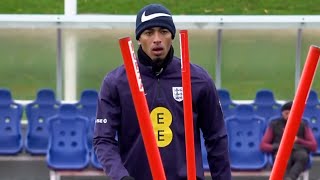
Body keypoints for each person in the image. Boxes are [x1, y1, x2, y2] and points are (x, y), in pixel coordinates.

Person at [93, 3, 231, 180]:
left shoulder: (198, 79)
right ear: (139, 38)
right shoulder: (116, 82)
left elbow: (216, 138)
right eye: (149, 33)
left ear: (172, 36)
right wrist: (121, 177)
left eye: (163, 31)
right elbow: (103, 140)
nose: (157, 39)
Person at [260, 101, 317, 180]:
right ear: (282, 113)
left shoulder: (303, 124)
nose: (289, 116)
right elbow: (263, 145)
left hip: (298, 149)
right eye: (286, 113)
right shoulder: (274, 124)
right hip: (280, 150)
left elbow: (313, 146)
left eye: (291, 113)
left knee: (303, 157)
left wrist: (298, 140)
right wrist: (279, 146)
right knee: (283, 160)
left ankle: (290, 178)